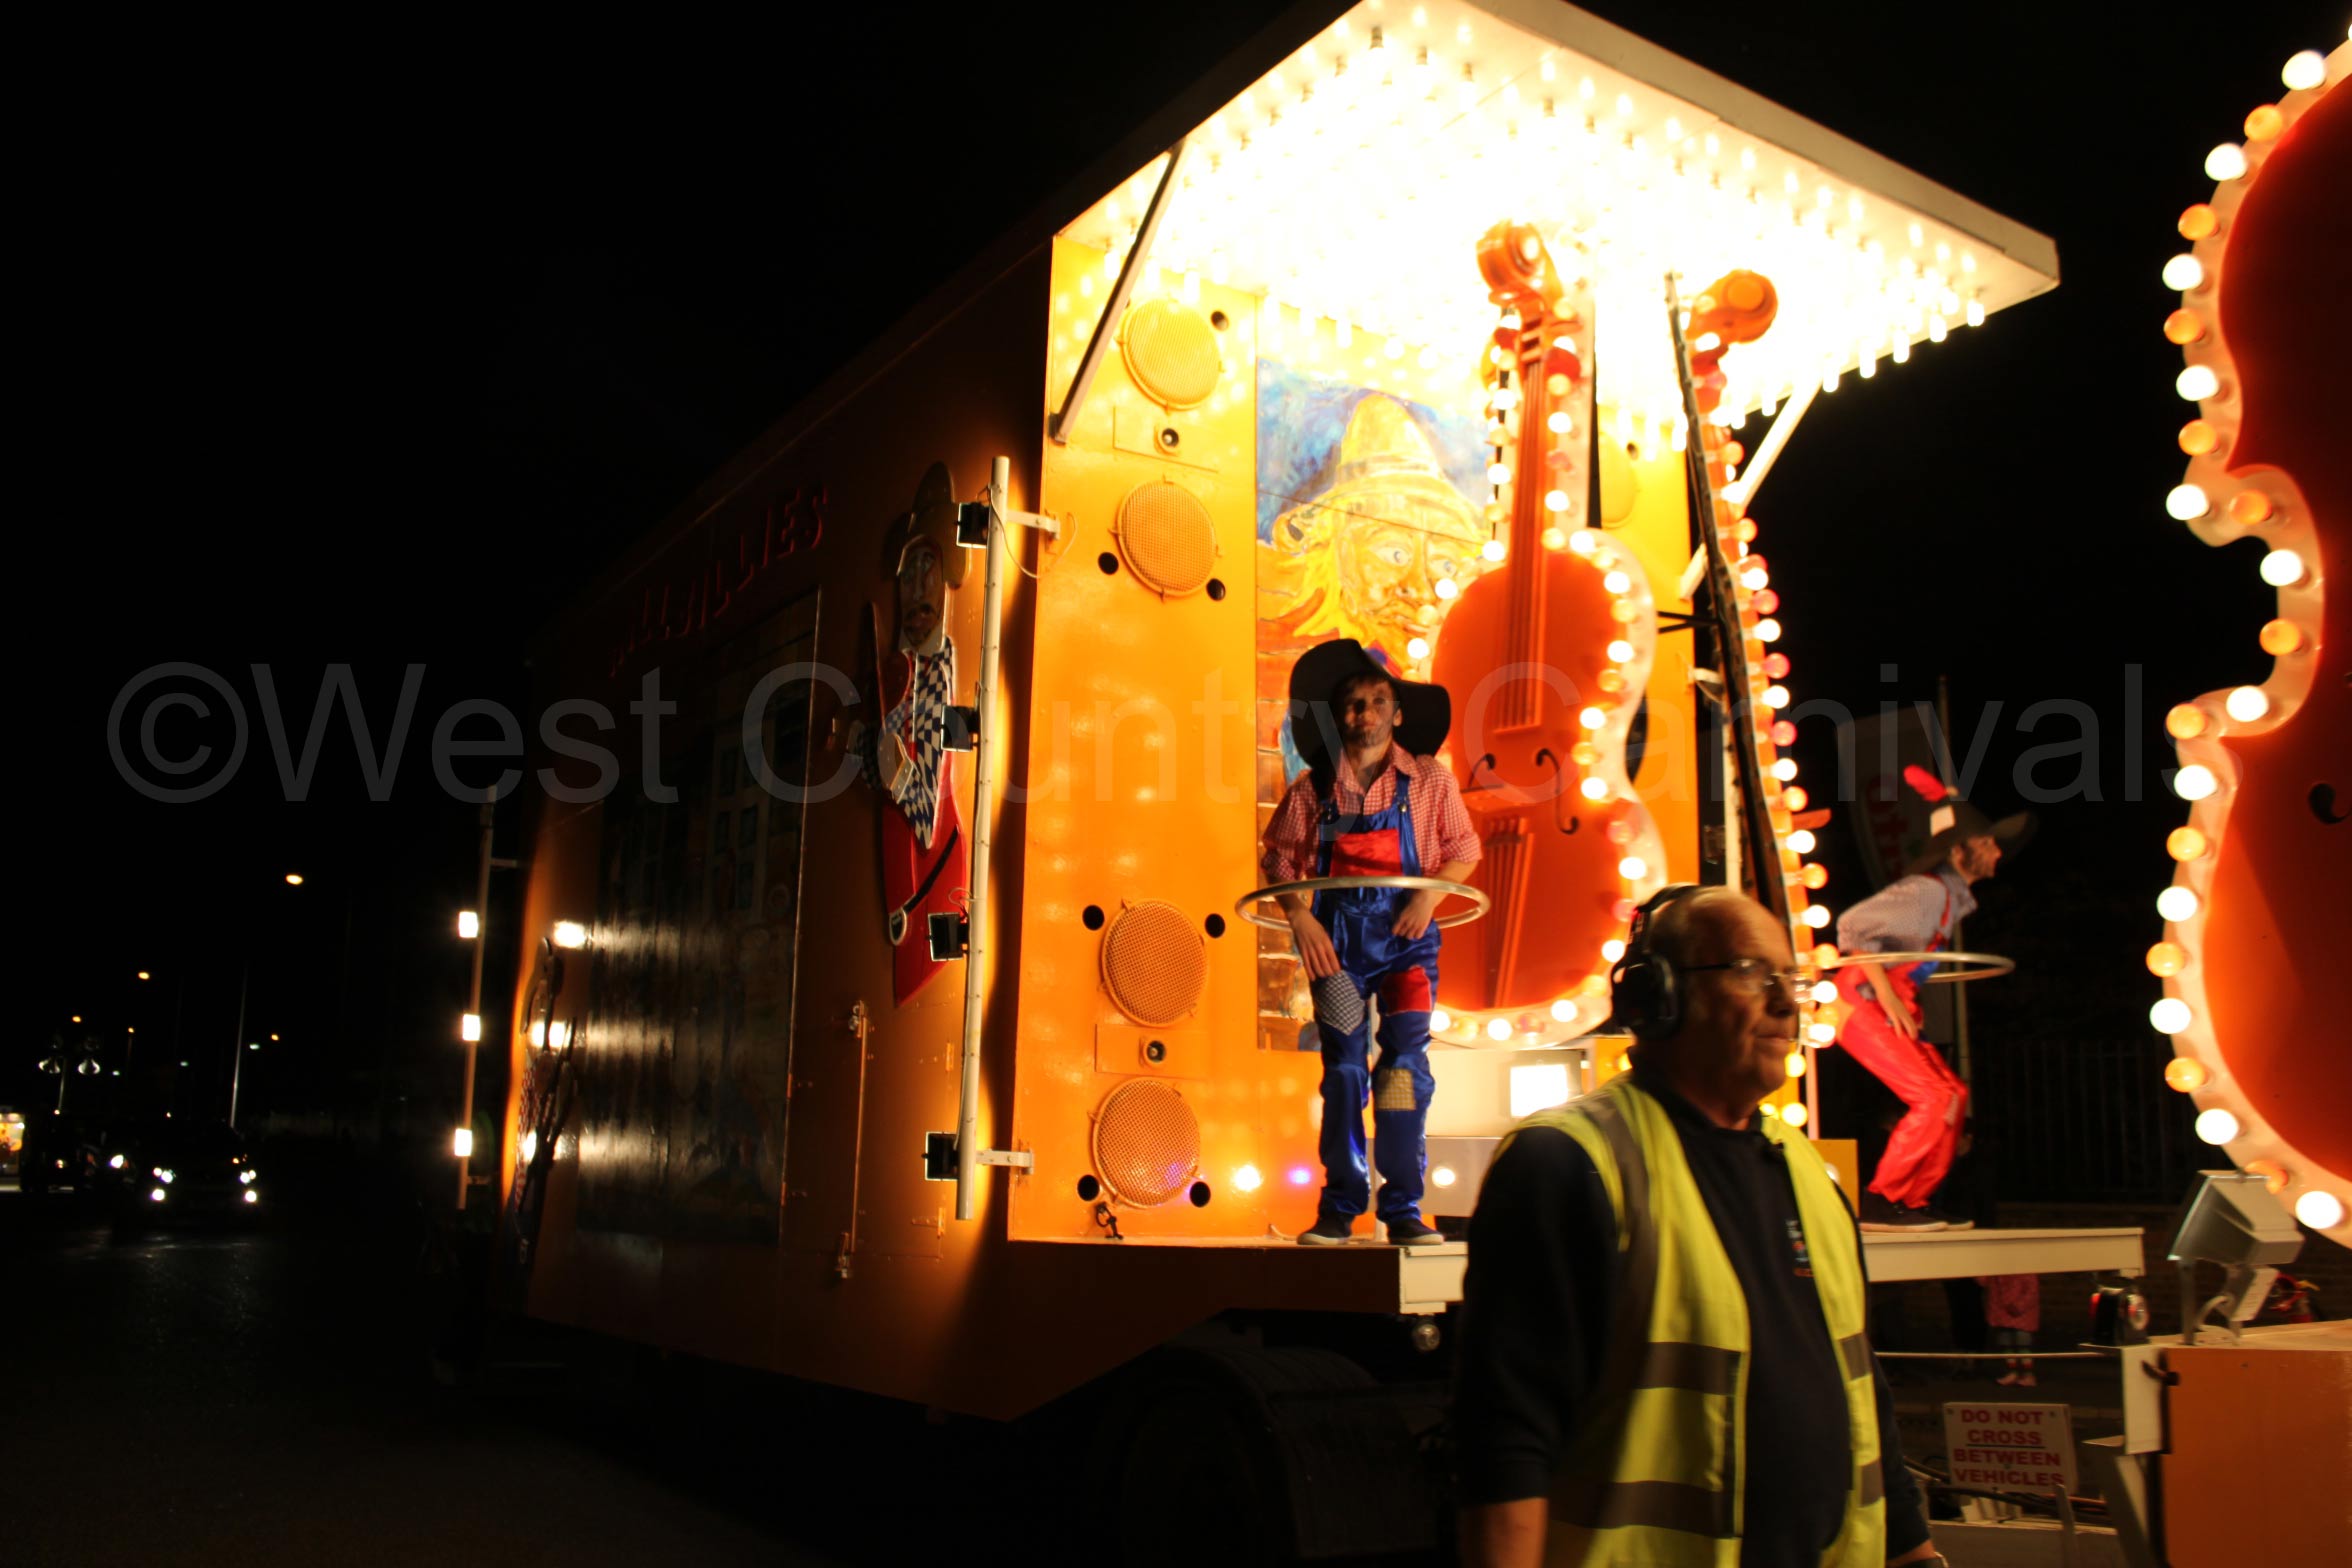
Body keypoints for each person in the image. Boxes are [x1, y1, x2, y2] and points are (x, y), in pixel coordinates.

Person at [1455, 886, 1938, 1568]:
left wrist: (1917, 1556)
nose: (1786, 1003)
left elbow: (1867, 1406)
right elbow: (1506, 1442)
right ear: (1657, 996)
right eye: (1751, 973)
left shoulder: (1812, 1176)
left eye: (1792, 979)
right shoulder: (1568, 1164)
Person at [1261, 639, 1480, 1246]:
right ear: (1340, 715)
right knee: (1344, 1072)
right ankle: (1339, 1207)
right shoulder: (1314, 789)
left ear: (1397, 713)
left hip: (1407, 947)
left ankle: (1403, 1209)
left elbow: (1465, 851)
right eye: (1354, 703)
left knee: (1404, 1070)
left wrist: (1426, 898)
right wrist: (1300, 918)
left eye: (1377, 701)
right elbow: (1277, 861)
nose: (1365, 713)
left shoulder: (1430, 781)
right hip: (1336, 949)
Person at [1833, 772, 2032, 1231]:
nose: (1997, 851)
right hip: (1860, 1003)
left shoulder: (1948, 900)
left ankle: (1914, 1199)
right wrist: (1887, 995)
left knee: (1954, 1094)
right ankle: (1881, 1199)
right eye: (1987, 843)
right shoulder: (1928, 892)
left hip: (1886, 1005)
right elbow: (1854, 926)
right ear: (1960, 851)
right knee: (1932, 1095)